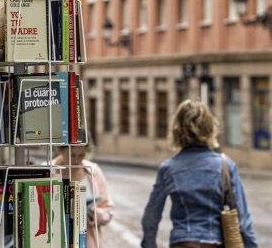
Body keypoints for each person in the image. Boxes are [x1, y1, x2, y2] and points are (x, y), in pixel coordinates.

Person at [141, 99, 258, 248]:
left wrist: (148, 244)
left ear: (177, 129)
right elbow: (243, 221)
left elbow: (151, 216)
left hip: (183, 243)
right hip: (214, 243)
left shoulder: (168, 168)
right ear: (210, 128)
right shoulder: (226, 166)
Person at [50, 145, 114, 248]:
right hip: (56, 239)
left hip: (88, 242)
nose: (76, 160)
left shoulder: (94, 171)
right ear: (61, 150)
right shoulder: (48, 170)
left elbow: (109, 210)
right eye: (72, 155)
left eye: (81, 155)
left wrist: (93, 213)